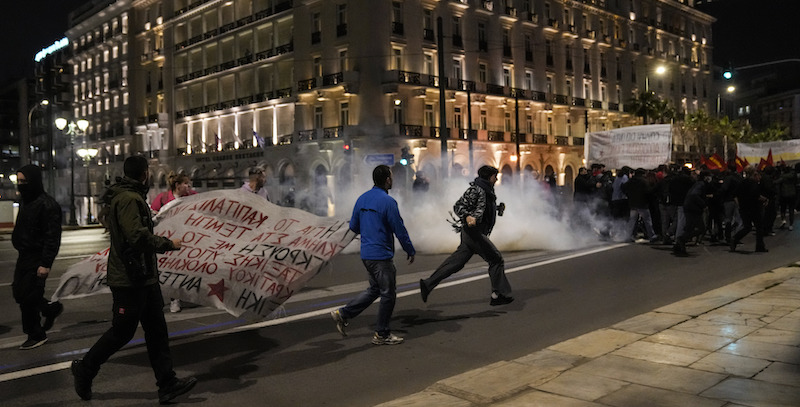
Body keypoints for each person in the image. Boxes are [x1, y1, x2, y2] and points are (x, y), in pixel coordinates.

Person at [71, 155, 197, 403]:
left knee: (157, 331)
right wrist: (168, 244)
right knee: (122, 332)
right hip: (130, 279)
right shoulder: (129, 198)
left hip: (144, 277)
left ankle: (167, 383)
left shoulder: (132, 195)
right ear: (144, 174)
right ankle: (85, 368)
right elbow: (136, 237)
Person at [330, 165, 415, 345]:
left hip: (366, 254)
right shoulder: (388, 202)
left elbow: (354, 227)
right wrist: (410, 249)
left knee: (375, 289)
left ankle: (343, 313)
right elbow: (399, 229)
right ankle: (382, 334)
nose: (392, 180)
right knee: (388, 294)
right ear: (387, 180)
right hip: (381, 255)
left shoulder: (362, 199)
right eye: (391, 177)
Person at [419, 165, 513, 306]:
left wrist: (498, 208)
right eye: (495, 176)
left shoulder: (487, 190)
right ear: (488, 177)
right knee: (496, 259)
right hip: (474, 233)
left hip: (474, 233)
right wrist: (468, 216)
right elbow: (458, 206)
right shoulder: (476, 189)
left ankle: (428, 284)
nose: (497, 178)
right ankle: (497, 294)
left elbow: (482, 209)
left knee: (456, 263)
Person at [11, 165, 63, 350]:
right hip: (24, 254)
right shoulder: (26, 201)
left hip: (37, 256)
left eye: (24, 181)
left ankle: (36, 334)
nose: (21, 185)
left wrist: (45, 263)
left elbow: (52, 237)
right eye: (19, 181)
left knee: (28, 297)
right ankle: (50, 308)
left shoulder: (47, 205)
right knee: (19, 292)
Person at [151, 172, 196, 313]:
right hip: (169, 240)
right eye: (185, 184)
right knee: (173, 269)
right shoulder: (163, 198)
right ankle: (174, 299)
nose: (188, 186)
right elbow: (153, 217)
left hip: (187, 238)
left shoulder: (193, 196)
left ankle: (185, 295)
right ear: (177, 185)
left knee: (186, 267)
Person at [731, 166, 768, 253]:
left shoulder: (741, 183)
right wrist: (765, 199)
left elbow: (735, 195)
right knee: (759, 227)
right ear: (754, 174)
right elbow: (756, 195)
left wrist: (739, 205)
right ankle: (760, 246)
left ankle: (735, 238)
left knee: (747, 227)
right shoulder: (753, 184)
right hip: (754, 208)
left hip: (744, 208)